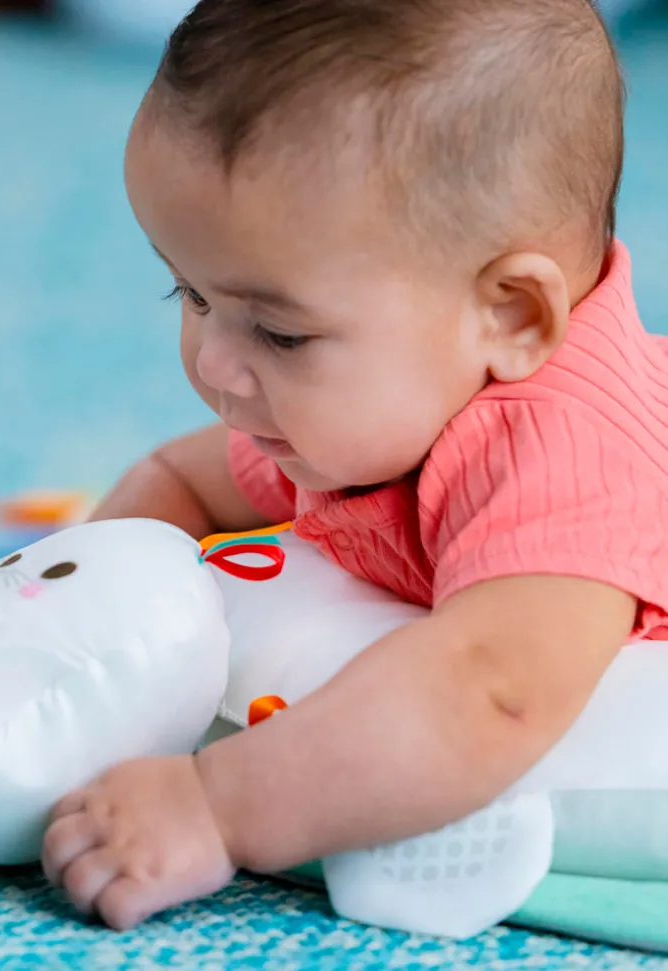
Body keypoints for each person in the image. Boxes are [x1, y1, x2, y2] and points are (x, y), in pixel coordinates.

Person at [39, 0, 668, 931]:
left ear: (511, 315)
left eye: (281, 332)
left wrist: (218, 806)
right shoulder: (376, 408)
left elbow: (489, 694)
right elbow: (181, 477)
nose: (212, 363)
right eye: (189, 293)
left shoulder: (567, 458)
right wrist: (64, 629)